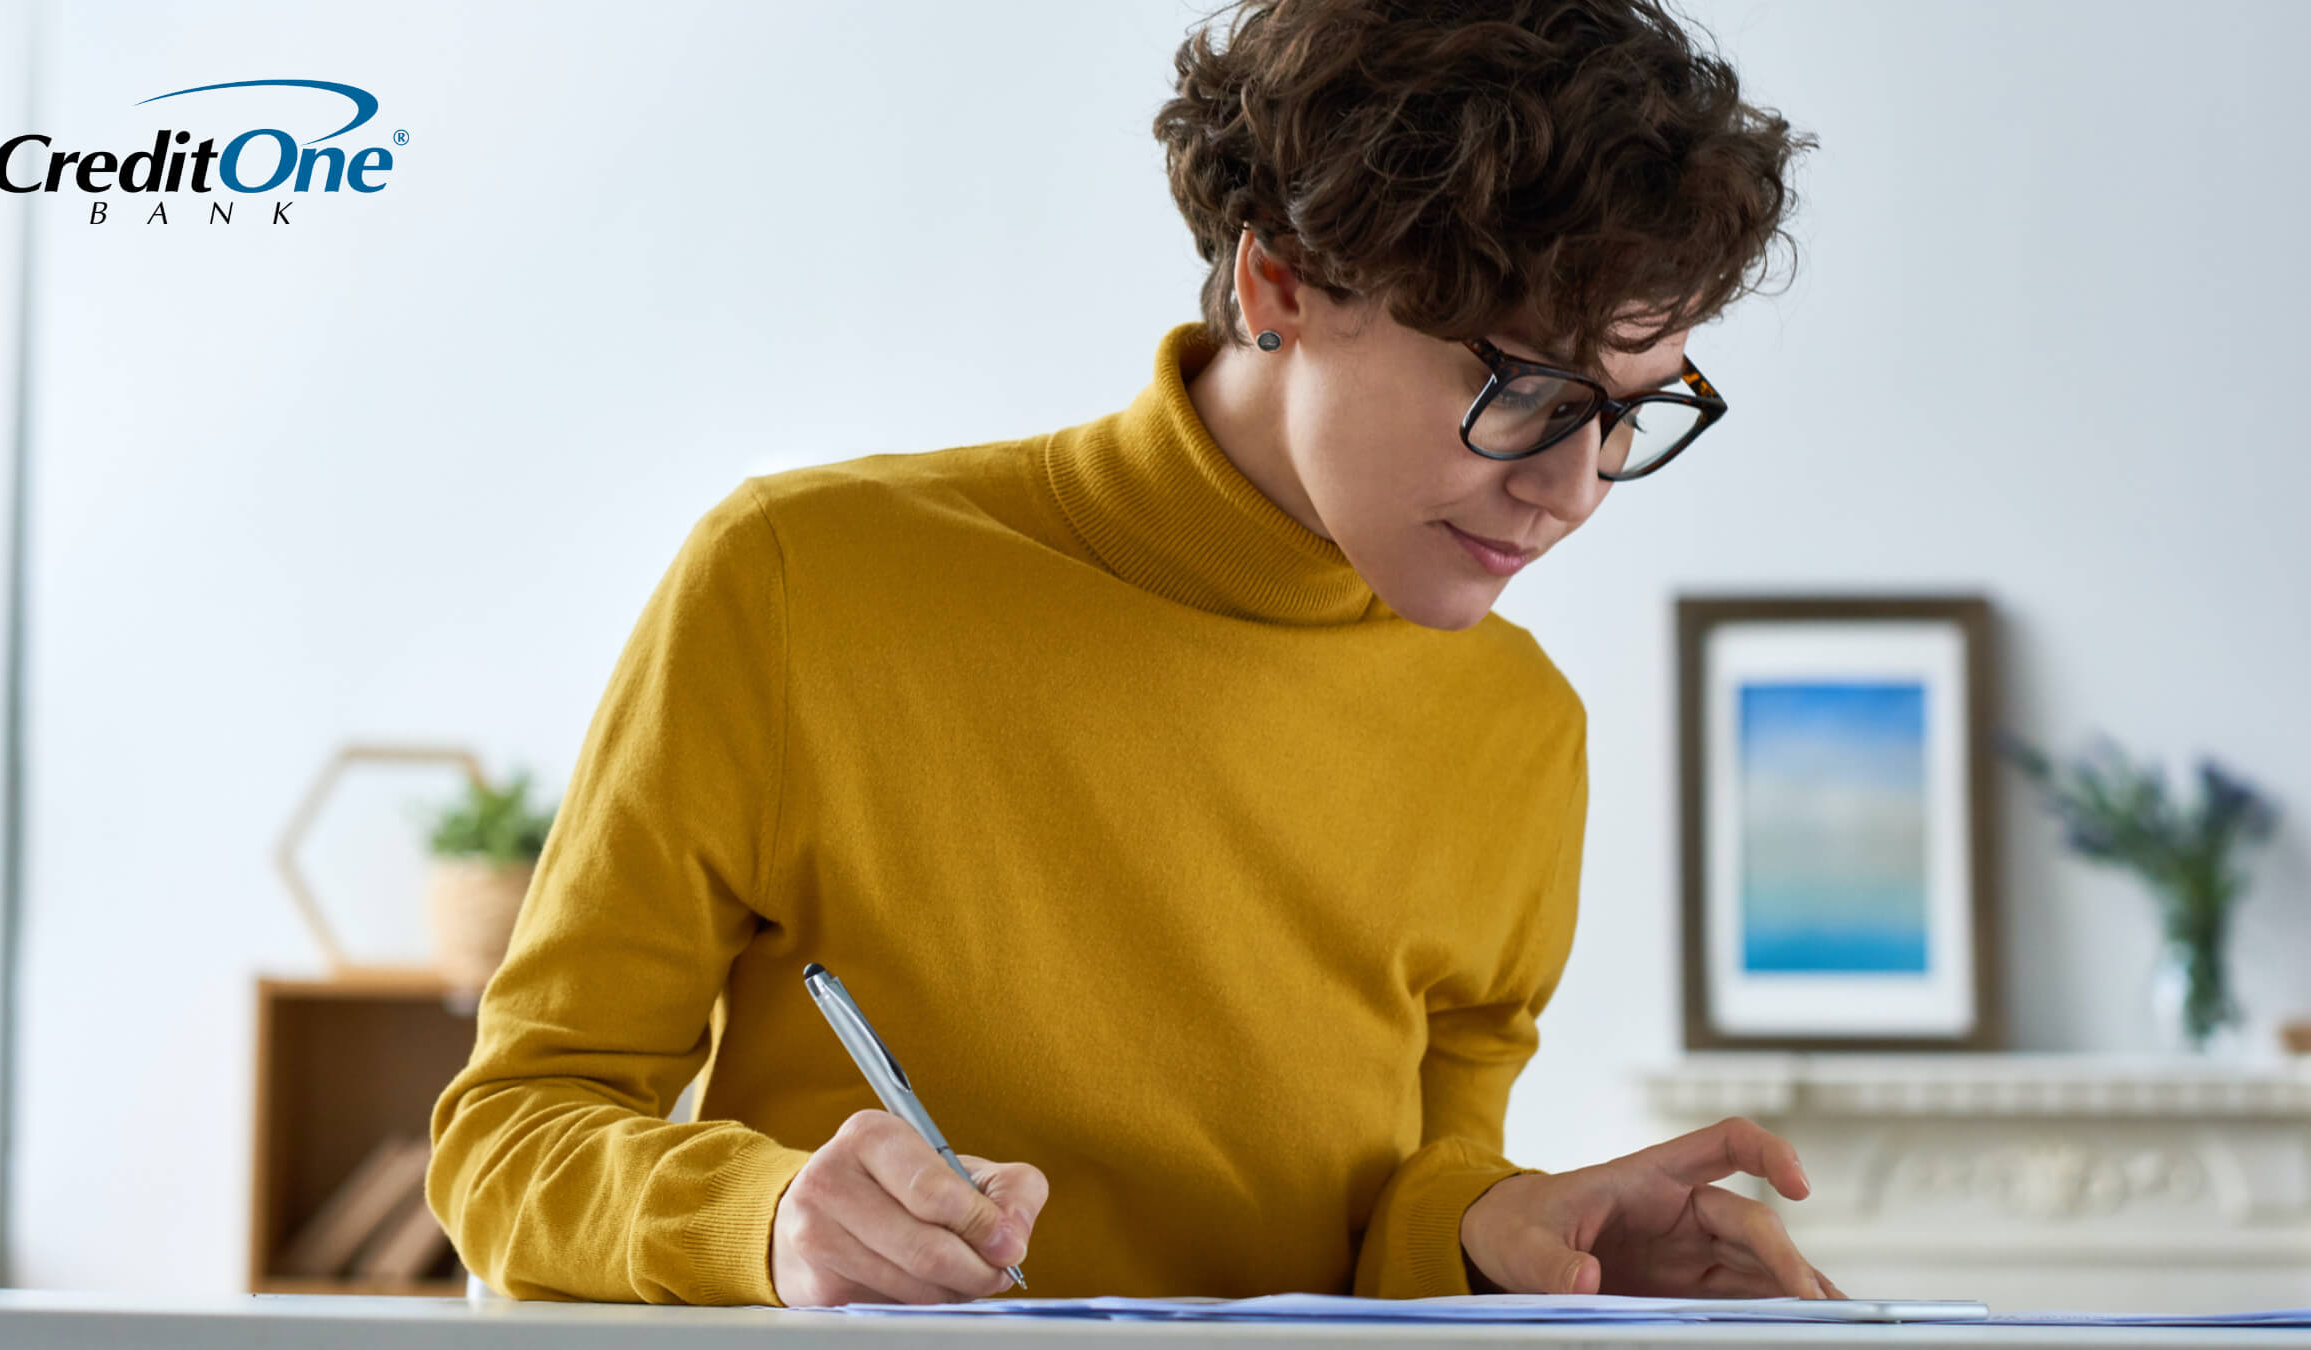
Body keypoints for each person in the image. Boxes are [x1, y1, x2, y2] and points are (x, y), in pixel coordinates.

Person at [427, 0, 1829, 1308]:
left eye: (1629, 411)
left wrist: (1496, 1235)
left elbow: (1393, 1217)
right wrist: (772, 1219)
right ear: (1278, 282)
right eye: (1520, 388)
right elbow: (508, 1137)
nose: (1573, 488)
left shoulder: (1520, 728)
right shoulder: (800, 580)